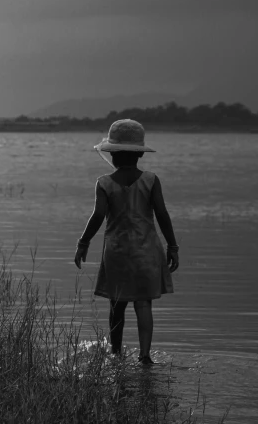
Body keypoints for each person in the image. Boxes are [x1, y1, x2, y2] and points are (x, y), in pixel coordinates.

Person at [74, 119, 179, 365]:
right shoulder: (151, 180)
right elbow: (162, 214)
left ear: (112, 154)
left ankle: (116, 355)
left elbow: (98, 216)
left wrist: (83, 243)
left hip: (117, 252)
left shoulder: (104, 183)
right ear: (140, 153)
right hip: (147, 251)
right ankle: (144, 356)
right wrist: (173, 246)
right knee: (143, 304)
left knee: (117, 305)